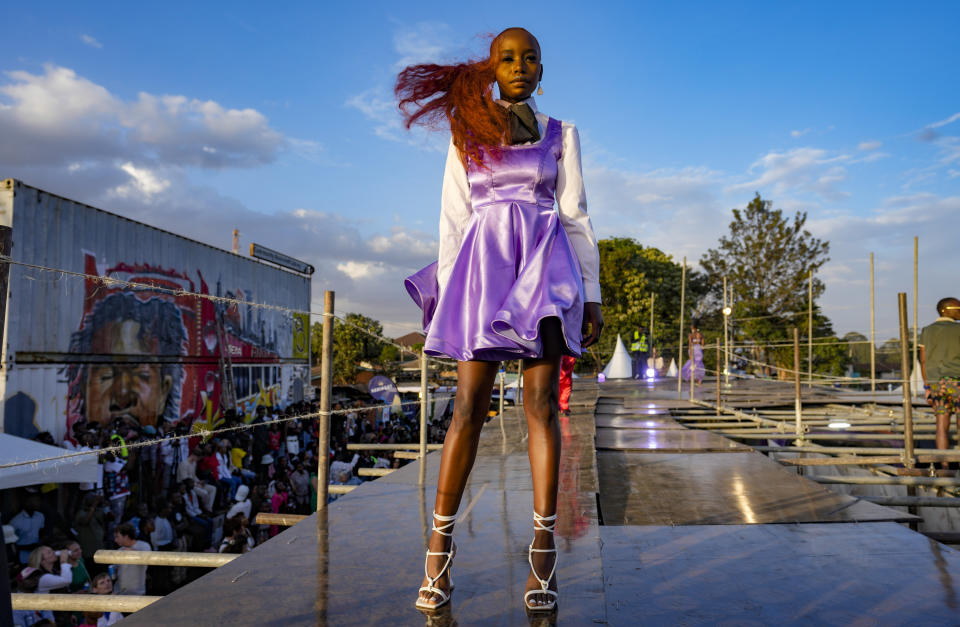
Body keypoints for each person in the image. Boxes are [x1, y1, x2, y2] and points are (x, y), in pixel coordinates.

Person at [398, 27, 602, 612]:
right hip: (482, 273)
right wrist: (445, 291)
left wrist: (591, 294)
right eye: (508, 58)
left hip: (545, 269)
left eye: (530, 57)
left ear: (542, 70)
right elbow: (453, 217)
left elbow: (576, 215)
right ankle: (438, 551)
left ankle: (543, 551)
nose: (519, 66)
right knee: (466, 410)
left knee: (540, 408)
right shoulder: (467, 132)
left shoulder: (563, 135)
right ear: (492, 67)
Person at [919, 297, 960, 473]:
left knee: (941, 426)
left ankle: (944, 468)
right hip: (958, 382)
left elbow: (923, 361)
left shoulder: (927, 331)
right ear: (947, 310)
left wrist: (927, 387)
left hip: (936, 385)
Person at [114, 522, 151, 595]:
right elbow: (117, 572)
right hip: (120, 593)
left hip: (137, 593)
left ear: (126, 536)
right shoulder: (119, 550)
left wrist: (130, 552)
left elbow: (145, 561)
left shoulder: (144, 546)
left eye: (117, 537)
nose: (115, 540)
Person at [9, 496, 45, 564]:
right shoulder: (15, 521)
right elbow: (10, 543)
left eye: (38, 501)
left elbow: (41, 531)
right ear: (27, 503)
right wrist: (25, 547)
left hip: (38, 554)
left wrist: (40, 542)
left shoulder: (40, 516)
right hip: (23, 556)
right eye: (35, 501)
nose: (38, 503)